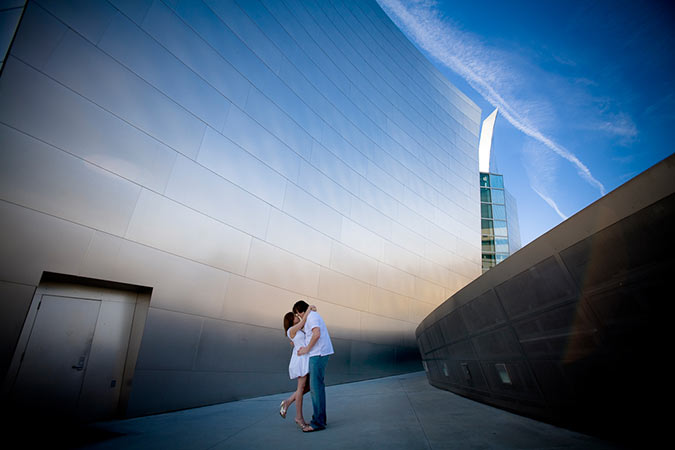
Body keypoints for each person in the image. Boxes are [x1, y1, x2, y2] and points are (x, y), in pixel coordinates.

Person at [293, 300, 334, 432]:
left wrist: (306, 349)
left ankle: (317, 423)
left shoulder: (312, 317)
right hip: (318, 354)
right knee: (317, 388)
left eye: (298, 315)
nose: (299, 318)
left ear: (301, 311)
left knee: (316, 389)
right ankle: (320, 419)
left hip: (318, 354)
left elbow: (316, 334)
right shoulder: (311, 316)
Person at [279, 305, 316, 428]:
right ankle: (298, 417)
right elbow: (304, 321)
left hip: (304, 357)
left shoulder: (298, 330)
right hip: (300, 360)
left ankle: (288, 401)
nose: (297, 317)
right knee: (301, 388)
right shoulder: (291, 330)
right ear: (291, 320)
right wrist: (309, 308)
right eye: (295, 316)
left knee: (308, 387)